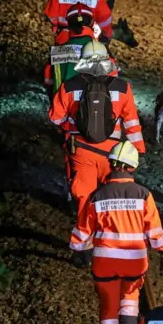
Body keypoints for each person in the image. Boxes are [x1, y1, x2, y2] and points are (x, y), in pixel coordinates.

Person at [70, 141, 163, 324]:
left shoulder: (97, 196)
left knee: (107, 308)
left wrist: (77, 249)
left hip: (105, 262)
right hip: (134, 261)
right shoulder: (144, 195)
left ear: (111, 164)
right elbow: (154, 230)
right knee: (130, 299)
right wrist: (162, 250)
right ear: (132, 167)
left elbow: (83, 230)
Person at [49, 42, 144, 215]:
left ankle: (86, 233)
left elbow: (56, 118)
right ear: (107, 60)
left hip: (81, 150)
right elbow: (132, 123)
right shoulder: (122, 87)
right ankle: (108, 230)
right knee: (111, 197)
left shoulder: (69, 87)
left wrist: (71, 125)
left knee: (84, 195)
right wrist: (138, 150)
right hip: (112, 152)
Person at [44, 4, 97, 94]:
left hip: (62, 104)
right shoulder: (100, 51)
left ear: (68, 24)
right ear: (92, 23)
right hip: (91, 105)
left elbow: (48, 81)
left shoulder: (57, 51)